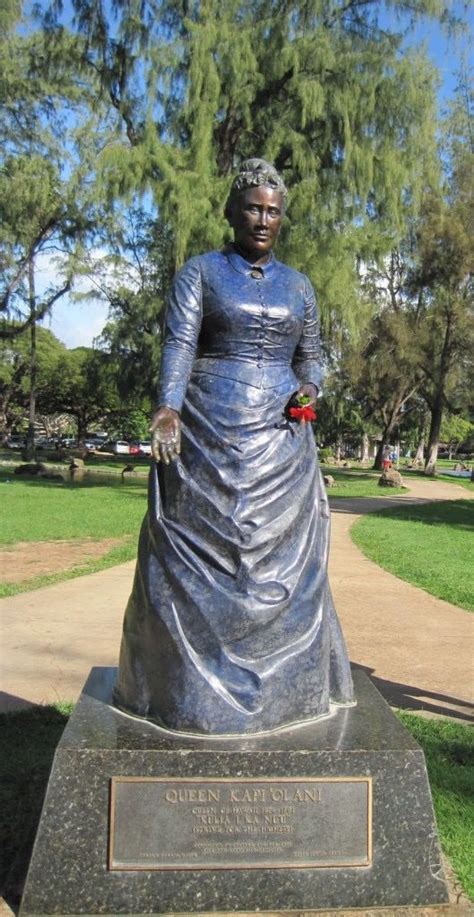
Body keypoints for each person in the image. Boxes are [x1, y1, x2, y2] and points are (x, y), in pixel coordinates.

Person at [113, 159, 355, 735]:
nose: (263, 219)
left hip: (281, 438)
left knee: (280, 563)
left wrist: (308, 388)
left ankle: (285, 694)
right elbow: (179, 343)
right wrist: (167, 408)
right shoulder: (199, 273)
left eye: (273, 210)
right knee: (204, 557)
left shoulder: (300, 286)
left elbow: (313, 356)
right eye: (253, 207)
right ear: (232, 211)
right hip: (208, 427)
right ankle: (187, 690)